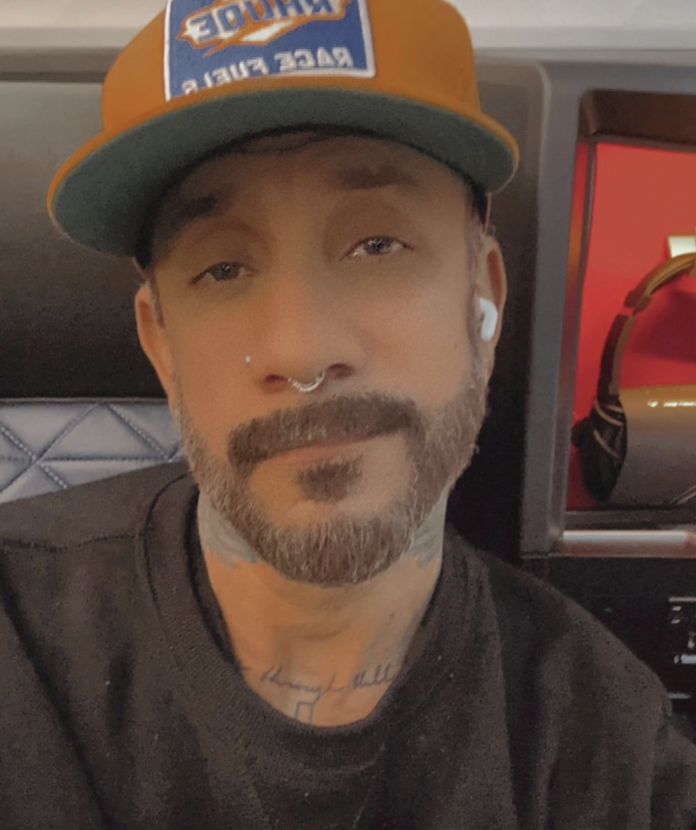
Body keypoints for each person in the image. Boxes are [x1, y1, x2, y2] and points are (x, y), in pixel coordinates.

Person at [0, 0, 694, 827]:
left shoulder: (602, 742)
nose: (299, 349)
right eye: (222, 269)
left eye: (376, 246)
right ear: (160, 343)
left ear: (485, 296)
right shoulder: (21, 647)